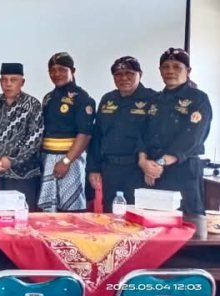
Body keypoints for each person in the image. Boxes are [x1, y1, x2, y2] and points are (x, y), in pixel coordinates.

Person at [139, 48, 212, 238]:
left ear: (188, 71)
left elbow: (192, 137)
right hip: (154, 174)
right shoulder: (154, 100)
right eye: (165, 67)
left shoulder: (198, 99)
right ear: (160, 70)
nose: (170, 71)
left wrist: (160, 163)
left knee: (189, 232)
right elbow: (142, 134)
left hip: (183, 172)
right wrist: (144, 162)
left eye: (177, 66)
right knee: (156, 232)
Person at [88, 56, 156, 211]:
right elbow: (97, 136)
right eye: (118, 74)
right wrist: (93, 168)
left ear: (140, 74)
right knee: (110, 215)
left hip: (138, 170)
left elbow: (156, 136)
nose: (123, 78)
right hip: (110, 169)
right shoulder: (108, 99)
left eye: (129, 73)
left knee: (136, 215)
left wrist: (151, 164)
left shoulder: (153, 99)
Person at [0, 63, 44, 209]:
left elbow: (35, 139)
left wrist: (12, 159)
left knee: (23, 215)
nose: (8, 84)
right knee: (1, 215)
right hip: (0, 172)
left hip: (25, 174)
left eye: (13, 80)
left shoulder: (33, 104)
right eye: (4, 79)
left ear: (22, 82)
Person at [39, 52, 96, 212]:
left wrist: (66, 161)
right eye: (52, 70)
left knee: (71, 211)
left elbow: (85, 134)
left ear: (73, 71)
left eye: (62, 69)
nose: (57, 74)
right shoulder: (48, 98)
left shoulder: (82, 98)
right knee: (49, 211)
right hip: (47, 159)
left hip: (71, 160)